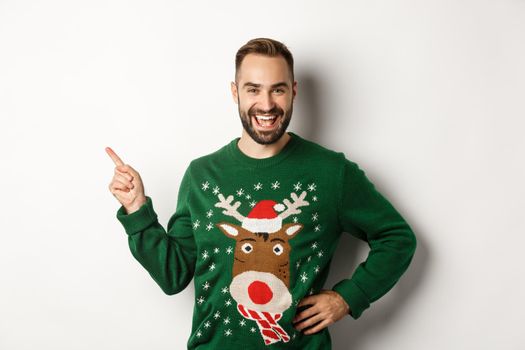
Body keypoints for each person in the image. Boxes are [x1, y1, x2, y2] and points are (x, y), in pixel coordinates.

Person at [106, 37, 417, 349]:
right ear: (235, 92)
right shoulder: (202, 175)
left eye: (277, 89)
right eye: (253, 89)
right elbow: (173, 275)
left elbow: (396, 238)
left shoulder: (331, 173)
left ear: (293, 91)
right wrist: (137, 211)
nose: (267, 105)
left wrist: (348, 297)